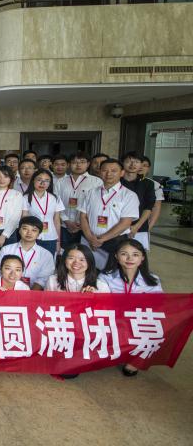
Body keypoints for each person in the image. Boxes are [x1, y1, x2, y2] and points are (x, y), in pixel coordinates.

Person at [99, 239, 162, 376]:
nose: (129, 259)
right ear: (116, 256)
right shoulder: (105, 277)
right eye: (124, 254)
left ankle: (136, 357)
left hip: (138, 320)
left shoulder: (153, 280)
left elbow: (157, 306)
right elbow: (101, 303)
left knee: (154, 325)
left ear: (142, 258)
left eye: (135, 254)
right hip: (114, 318)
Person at [79, 158, 139, 270]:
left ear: (122, 173)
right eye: (105, 170)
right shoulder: (91, 192)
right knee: (87, 271)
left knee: (111, 273)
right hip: (89, 240)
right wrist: (90, 238)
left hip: (115, 242)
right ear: (99, 172)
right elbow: (83, 216)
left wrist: (101, 239)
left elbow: (125, 223)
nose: (108, 174)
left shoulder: (129, 195)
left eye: (114, 171)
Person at [55, 153, 103, 248]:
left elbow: (98, 205)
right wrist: (66, 220)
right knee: (65, 252)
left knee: (84, 253)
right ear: (69, 164)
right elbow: (56, 203)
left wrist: (83, 223)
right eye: (74, 162)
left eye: (82, 162)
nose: (78, 165)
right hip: (64, 225)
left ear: (88, 164)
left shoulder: (97, 182)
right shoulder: (60, 181)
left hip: (86, 227)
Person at [0, 216, 55, 290]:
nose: (29, 233)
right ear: (19, 230)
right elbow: (1, 271)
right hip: (9, 290)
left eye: (34, 230)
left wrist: (30, 294)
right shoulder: (6, 250)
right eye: (25, 229)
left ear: (39, 234)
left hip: (35, 293)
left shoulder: (46, 255)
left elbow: (43, 279)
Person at [22, 169, 64, 256]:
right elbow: (24, 219)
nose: (42, 183)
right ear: (33, 181)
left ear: (50, 183)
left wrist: (58, 242)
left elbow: (56, 221)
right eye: (39, 180)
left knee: (48, 262)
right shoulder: (25, 198)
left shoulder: (55, 198)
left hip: (50, 237)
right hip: (31, 237)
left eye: (46, 181)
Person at [120, 151, 156, 250]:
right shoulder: (116, 181)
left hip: (139, 227)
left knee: (137, 255)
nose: (132, 165)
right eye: (128, 161)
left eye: (136, 162)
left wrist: (137, 226)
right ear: (122, 163)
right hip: (116, 226)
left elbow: (149, 207)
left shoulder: (148, 184)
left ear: (140, 164)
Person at [45, 244, 110, 292]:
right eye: (71, 258)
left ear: (89, 262)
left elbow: (106, 306)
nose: (76, 262)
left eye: (82, 260)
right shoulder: (52, 281)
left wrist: (92, 298)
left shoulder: (101, 286)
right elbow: (46, 304)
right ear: (64, 260)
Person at [140, 156, 164, 235]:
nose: (141, 167)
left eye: (145, 165)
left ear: (148, 168)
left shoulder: (155, 185)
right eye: (140, 164)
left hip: (142, 226)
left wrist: (149, 227)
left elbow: (156, 207)